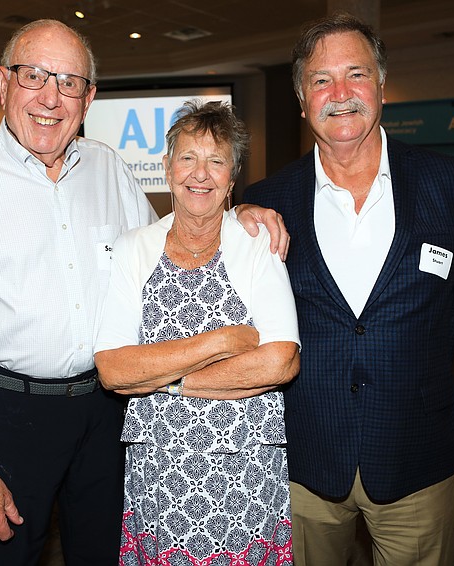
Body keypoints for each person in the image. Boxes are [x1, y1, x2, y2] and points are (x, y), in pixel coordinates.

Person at [0, 19, 288, 566]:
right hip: (9, 418)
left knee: (104, 554)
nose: (50, 98)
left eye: (69, 82)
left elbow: (166, 245)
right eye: (34, 76)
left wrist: (235, 214)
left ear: (89, 97)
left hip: (108, 412)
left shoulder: (108, 166)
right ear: (4, 82)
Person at [243, 12, 454, 566]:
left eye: (356, 74)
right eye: (320, 80)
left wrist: (411, 363)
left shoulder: (450, 185)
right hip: (305, 458)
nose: (340, 93)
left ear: (381, 84)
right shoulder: (265, 202)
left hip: (415, 450)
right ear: (302, 101)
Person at [94, 100, 300, 565]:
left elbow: (280, 360)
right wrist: (222, 341)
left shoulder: (255, 244)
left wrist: (165, 380)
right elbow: (112, 369)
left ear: (232, 177)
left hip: (243, 468)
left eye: (216, 160)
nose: (200, 173)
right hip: (161, 470)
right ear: (167, 168)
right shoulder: (134, 248)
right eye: (187, 157)